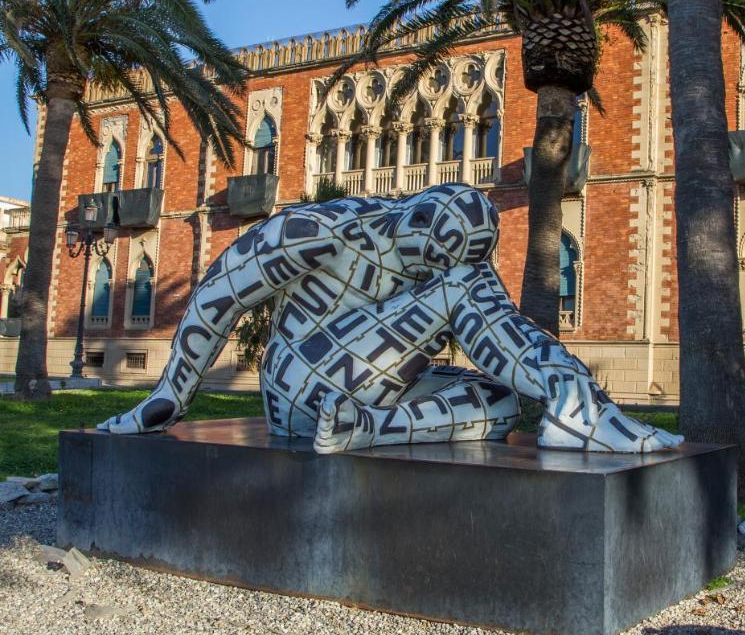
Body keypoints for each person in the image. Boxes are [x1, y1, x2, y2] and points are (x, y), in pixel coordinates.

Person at [98, 184, 682, 453]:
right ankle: (580, 405)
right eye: (435, 248)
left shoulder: (456, 262)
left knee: (503, 402)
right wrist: (165, 402)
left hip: (368, 398)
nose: (436, 266)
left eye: (451, 257)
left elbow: (496, 327)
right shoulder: (321, 229)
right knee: (466, 295)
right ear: (417, 214)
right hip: (299, 387)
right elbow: (215, 300)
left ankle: (366, 430)